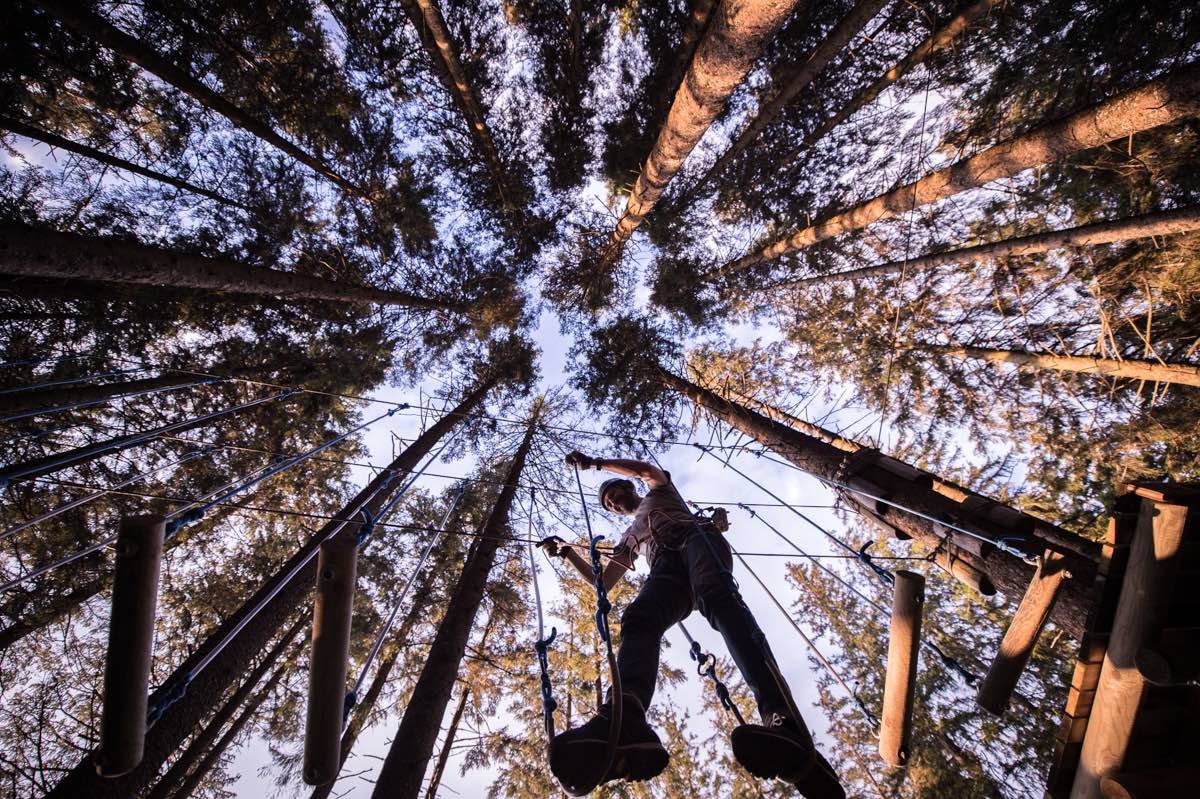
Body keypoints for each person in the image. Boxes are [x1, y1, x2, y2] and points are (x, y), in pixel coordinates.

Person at [540, 450, 845, 798]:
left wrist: (595, 464)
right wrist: (567, 552)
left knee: (718, 599)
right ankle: (624, 717)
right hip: (664, 570)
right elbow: (603, 583)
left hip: (695, 538)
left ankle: (783, 720)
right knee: (639, 618)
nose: (613, 502)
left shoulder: (659, 492)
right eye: (608, 504)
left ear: (629, 487)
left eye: (615, 493)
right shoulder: (629, 538)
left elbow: (644, 470)